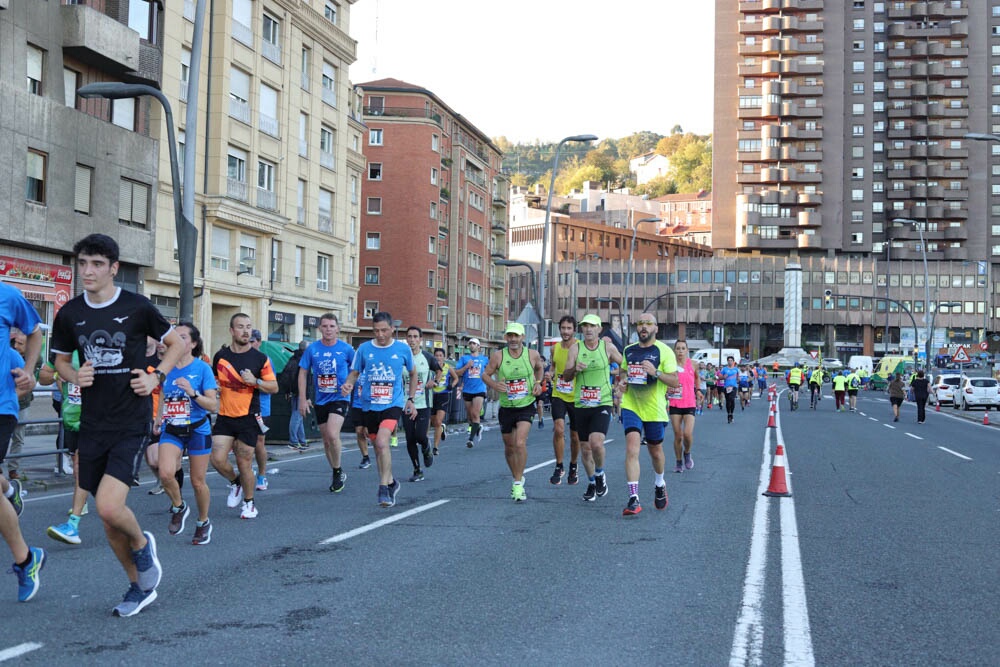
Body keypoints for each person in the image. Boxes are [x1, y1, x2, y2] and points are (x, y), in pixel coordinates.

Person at [51, 233, 184, 616]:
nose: (88, 271)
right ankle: (137, 586)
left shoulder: (137, 306)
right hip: (93, 422)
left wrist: (155, 376)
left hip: (130, 418)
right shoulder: (69, 313)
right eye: (82, 263)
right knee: (110, 522)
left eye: (96, 264)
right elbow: (60, 361)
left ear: (113, 268)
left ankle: (142, 545)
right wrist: (74, 377)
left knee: (109, 508)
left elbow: (176, 344)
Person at [341, 312, 416, 508]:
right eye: (376, 331)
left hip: (393, 403)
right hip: (369, 404)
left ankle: (383, 488)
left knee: (383, 441)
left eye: (384, 330)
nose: (380, 334)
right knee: (378, 447)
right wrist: (348, 384)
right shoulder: (365, 349)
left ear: (392, 329)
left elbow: (413, 373)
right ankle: (391, 482)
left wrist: (411, 398)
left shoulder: (402, 349)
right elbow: (355, 372)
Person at [153, 323, 219, 545]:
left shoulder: (202, 369)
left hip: (197, 428)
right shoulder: (166, 367)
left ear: (192, 344)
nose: (177, 341)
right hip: (172, 428)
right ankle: (179, 506)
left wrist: (192, 393)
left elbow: (213, 405)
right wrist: (158, 416)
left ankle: (203, 522)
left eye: (182, 337)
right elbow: (163, 393)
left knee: (198, 482)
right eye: (174, 337)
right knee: (165, 473)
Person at [1, 281, 44, 602]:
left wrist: (29, 370)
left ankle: (26, 560)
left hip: (2, 405)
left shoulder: (7, 295)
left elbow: (35, 331)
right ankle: (8, 489)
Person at [210, 313, 278, 521]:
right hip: (225, 415)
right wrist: (215, 391)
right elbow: (215, 382)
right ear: (231, 331)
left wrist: (255, 381)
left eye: (248, 326)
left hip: (249, 416)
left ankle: (249, 504)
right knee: (217, 460)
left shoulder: (260, 358)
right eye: (240, 327)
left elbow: (274, 387)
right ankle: (236, 482)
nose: (246, 331)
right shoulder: (220, 356)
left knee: (244, 461)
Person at [616, 314, 679, 515]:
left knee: (655, 452)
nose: (643, 327)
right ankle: (633, 498)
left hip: (654, 408)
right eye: (640, 323)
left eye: (648, 323)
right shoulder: (628, 350)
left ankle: (660, 483)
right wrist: (622, 383)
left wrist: (655, 372)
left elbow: (675, 381)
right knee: (632, 448)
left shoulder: (665, 351)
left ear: (656, 328)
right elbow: (623, 372)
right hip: (632, 405)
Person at [563, 314, 623, 503]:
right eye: (585, 326)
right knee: (585, 449)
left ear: (599, 329)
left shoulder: (607, 347)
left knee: (596, 443)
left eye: (592, 326)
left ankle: (599, 474)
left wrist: (622, 381)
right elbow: (565, 377)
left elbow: (625, 365)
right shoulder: (575, 348)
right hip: (581, 403)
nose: (588, 329)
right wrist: (575, 370)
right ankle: (591, 482)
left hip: (602, 402)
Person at [481, 323, 544, 501]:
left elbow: (539, 368)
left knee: (519, 443)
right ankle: (517, 475)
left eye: (516, 336)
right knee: (509, 447)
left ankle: (517, 484)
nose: (513, 339)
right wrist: (494, 384)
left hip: (526, 404)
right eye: (510, 336)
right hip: (507, 407)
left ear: (523, 337)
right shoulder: (498, 356)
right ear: (506, 338)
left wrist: (538, 383)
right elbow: (485, 374)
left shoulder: (532, 354)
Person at [298, 314, 354, 493]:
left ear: (338, 328)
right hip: (321, 398)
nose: (328, 329)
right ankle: (336, 469)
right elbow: (303, 373)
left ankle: (337, 472)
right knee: (326, 440)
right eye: (325, 326)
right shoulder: (312, 349)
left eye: (332, 326)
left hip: (340, 397)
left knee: (332, 433)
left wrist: (350, 385)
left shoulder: (346, 349)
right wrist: (302, 398)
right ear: (319, 329)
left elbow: (357, 370)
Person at [42, 350, 90, 545]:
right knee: (79, 467)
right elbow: (43, 377)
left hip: (95, 419)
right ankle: (84, 500)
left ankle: (73, 524)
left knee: (81, 465)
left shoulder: (95, 348)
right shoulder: (63, 353)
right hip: (71, 419)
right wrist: (56, 375)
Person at [401, 327, 440, 482]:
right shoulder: (402, 357)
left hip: (423, 403)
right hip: (407, 404)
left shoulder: (427, 357)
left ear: (420, 339)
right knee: (410, 438)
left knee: (420, 436)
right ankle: (417, 470)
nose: (412, 340)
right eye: (409, 336)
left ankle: (426, 447)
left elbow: (439, 370)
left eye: (415, 337)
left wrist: (434, 381)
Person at [548, 315, 582, 485]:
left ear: (574, 330)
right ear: (559, 329)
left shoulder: (580, 347)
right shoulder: (554, 348)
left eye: (569, 328)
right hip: (558, 394)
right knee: (558, 429)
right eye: (563, 328)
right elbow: (553, 366)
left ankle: (573, 465)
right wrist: (550, 373)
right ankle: (559, 465)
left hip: (576, 396)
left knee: (575, 436)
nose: (566, 331)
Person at [248, 330, 274, 491]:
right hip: (241, 406)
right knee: (240, 444)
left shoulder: (265, 359)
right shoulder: (238, 358)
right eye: (248, 341)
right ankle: (246, 473)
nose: (250, 344)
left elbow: (271, 387)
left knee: (259, 442)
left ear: (259, 342)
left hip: (261, 407)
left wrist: (254, 382)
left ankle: (262, 475)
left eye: (253, 341)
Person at [670, 341, 700, 475]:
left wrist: (698, 390)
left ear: (687, 350)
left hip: (689, 402)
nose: (680, 351)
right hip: (675, 402)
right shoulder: (669, 364)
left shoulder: (693, 364)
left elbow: (697, 378)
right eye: (678, 348)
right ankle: (678, 461)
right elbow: (665, 380)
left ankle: (687, 453)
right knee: (678, 435)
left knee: (687, 434)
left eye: (683, 348)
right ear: (674, 350)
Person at [454, 338, 489, 448]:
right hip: (467, 390)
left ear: (479, 347)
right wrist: (466, 367)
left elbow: (492, 369)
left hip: (480, 389)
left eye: (474, 343)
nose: (472, 345)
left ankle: (471, 439)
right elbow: (457, 372)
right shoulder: (464, 358)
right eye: (470, 344)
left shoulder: (484, 359)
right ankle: (477, 427)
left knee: (475, 413)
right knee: (470, 416)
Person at [282, 341, 309, 451]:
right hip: (299, 392)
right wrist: (306, 396)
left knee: (299, 417)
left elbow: (287, 377)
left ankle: (301, 440)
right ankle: (294, 441)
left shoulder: (293, 359)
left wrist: (288, 391)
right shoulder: (303, 360)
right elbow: (306, 379)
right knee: (297, 416)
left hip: (294, 392)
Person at [430, 347, 453, 456]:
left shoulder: (448, 367)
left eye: (440, 355)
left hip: (444, 395)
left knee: (438, 421)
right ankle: (442, 428)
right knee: (434, 423)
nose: (438, 357)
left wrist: (451, 385)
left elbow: (456, 378)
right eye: (436, 355)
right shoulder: (431, 368)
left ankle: (435, 447)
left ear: (444, 357)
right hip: (432, 395)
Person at [720, 356, 740, 423]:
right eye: (729, 360)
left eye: (731, 360)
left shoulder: (736, 369)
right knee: (728, 401)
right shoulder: (724, 369)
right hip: (726, 387)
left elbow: (738, 377)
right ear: (727, 361)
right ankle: (729, 414)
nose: (730, 361)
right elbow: (719, 377)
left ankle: (732, 414)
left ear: (733, 361)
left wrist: (738, 379)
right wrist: (723, 377)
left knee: (732, 399)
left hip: (734, 386)